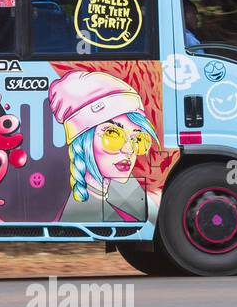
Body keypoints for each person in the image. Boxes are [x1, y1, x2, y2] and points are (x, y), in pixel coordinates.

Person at [47, 70, 161, 224]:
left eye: (137, 139)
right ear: (82, 140)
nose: (129, 150)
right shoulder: (82, 213)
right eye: (113, 135)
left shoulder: (125, 202)